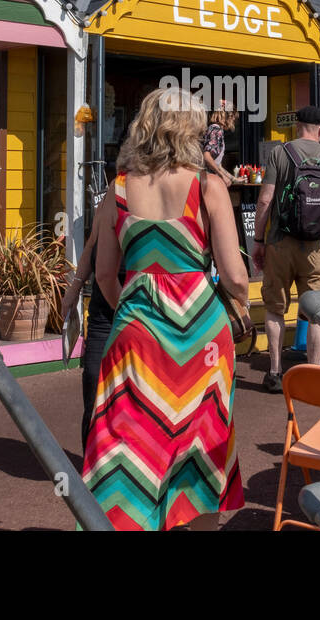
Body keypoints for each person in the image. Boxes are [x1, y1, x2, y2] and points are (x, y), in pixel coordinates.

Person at [82, 86, 247, 530]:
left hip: (137, 331)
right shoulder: (207, 186)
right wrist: (242, 299)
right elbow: (234, 276)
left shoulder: (117, 190)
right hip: (201, 332)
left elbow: (103, 276)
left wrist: (138, 313)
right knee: (200, 450)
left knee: (126, 447)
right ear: (189, 130)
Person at [252, 105, 320, 392]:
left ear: (297, 126)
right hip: (318, 245)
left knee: (275, 309)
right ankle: (314, 375)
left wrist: (258, 240)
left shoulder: (280, 154)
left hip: (280, 242)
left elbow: (265, 201)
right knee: (317, 312)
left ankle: (275, 372)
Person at [61, 195, 112, 449]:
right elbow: (92, 244)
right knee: (93, 378)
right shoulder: (118, 189)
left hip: (141, 307)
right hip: (105, 310)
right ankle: (89, 465)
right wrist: (74, 288)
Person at [202, 100, 237, 185]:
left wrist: (233, 179)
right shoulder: (216, 130)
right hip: (207, 179)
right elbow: (206, 156)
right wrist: (222, 175)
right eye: (233, 117)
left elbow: (218, 165)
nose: (233, 120)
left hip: (207, 178)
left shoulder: (215, 129)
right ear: (227, 116)